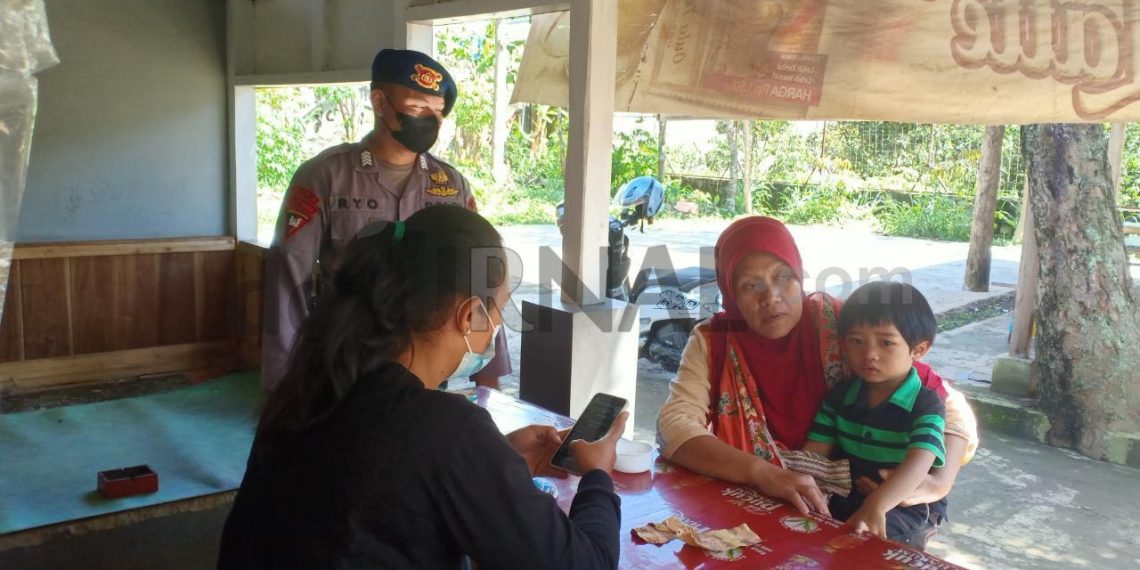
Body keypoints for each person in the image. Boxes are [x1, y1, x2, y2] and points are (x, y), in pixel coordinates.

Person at [219, 206, 624, 570]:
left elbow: (391, 477)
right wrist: (597, 476)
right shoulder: (448, 430)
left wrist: (499, 460)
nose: (498, 325)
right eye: (500, 308)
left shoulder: (311, 389)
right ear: (468, 316)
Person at [656, 216, 978, 516]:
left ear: (799, 276)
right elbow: (675, 427)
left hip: (842, 502)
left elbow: (948, 406)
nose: (771, 297)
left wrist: (939, 482)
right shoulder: (714, 341)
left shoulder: (836, 324)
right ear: (730, 293)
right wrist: (762, 473)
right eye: (750, 285)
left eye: (783, 277)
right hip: (753, 495)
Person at [261, 48, 510, 391]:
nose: (430, 121)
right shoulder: (325, 176)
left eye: (438, 113)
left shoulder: (450, 186)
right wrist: (284, 382)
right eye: (417, 108)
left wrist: (488, 371)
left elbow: (480, 274)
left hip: (427, 366)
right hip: (347, 361)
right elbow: (288, 277)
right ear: (379, 102)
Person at [803, 281, 948, 549]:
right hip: (847, 494)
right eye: (857, 341)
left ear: (918, 349)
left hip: (905, 505)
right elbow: (814, 455)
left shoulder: (926, 404)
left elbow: (919, 464)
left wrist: (878, 504)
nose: (870, 354)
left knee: (869, 548)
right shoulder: (840, 396)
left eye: (886, 343)